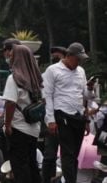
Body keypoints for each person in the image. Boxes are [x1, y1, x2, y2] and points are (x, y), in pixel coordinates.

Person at [42, 42, 96, 183]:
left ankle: (70, 179)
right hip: (61, 114)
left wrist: (90, 89)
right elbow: (47, 96)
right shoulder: (52, 70)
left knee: (74, 155)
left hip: (77, 116)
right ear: (69, 55)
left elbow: (86, 96)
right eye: (77, 59)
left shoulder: (81, 71)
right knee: (68, 153)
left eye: (81, 60)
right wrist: (51, 120)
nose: (79, 62)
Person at [41, 45, 66, 183]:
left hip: (69, 119)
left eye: (58, 56)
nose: (56, 59)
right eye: (54, 57)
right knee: (50, 154)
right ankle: (46, 180)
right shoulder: (47, 74)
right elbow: (45, 98)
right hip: (52, 119)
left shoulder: (75, 72)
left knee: (68, 155)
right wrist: (51, 119)